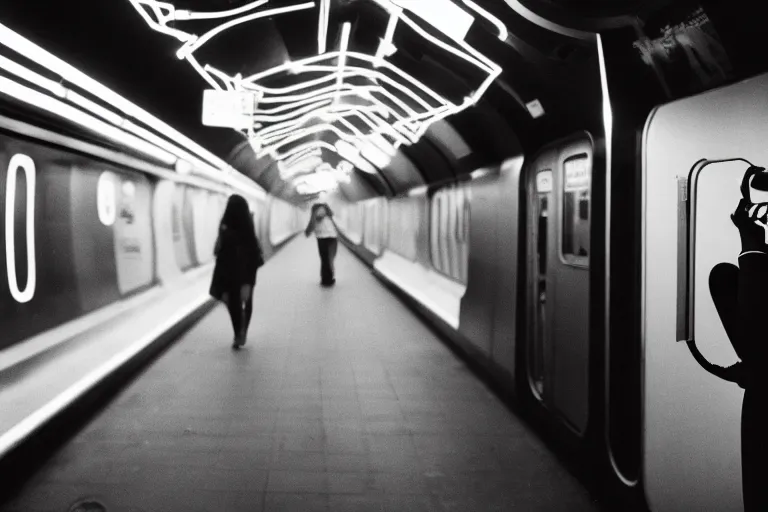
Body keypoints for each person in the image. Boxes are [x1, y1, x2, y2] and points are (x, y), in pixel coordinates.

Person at [210, 194, 263, 349]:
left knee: (234, 302)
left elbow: (219, 249)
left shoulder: (226, 225)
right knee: (244, 301)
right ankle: (241, 332)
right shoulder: (245, 224)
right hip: (243, 269)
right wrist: (248, 281)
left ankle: (239, 333)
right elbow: (253, 251)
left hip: (230, 270)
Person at [305, 203, 338, 286]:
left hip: (331, 238)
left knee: (328, 259)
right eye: (319, 210)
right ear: (315, 211)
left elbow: (335, 227)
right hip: (323, 238)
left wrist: (308, 232)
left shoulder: (328, 218)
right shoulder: (315, 219)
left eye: (323, 210)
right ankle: (327, 279)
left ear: (326, 211)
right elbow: (311, 226)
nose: (321, 212)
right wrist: (307, 232)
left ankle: (327, 279)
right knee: (325, 259)